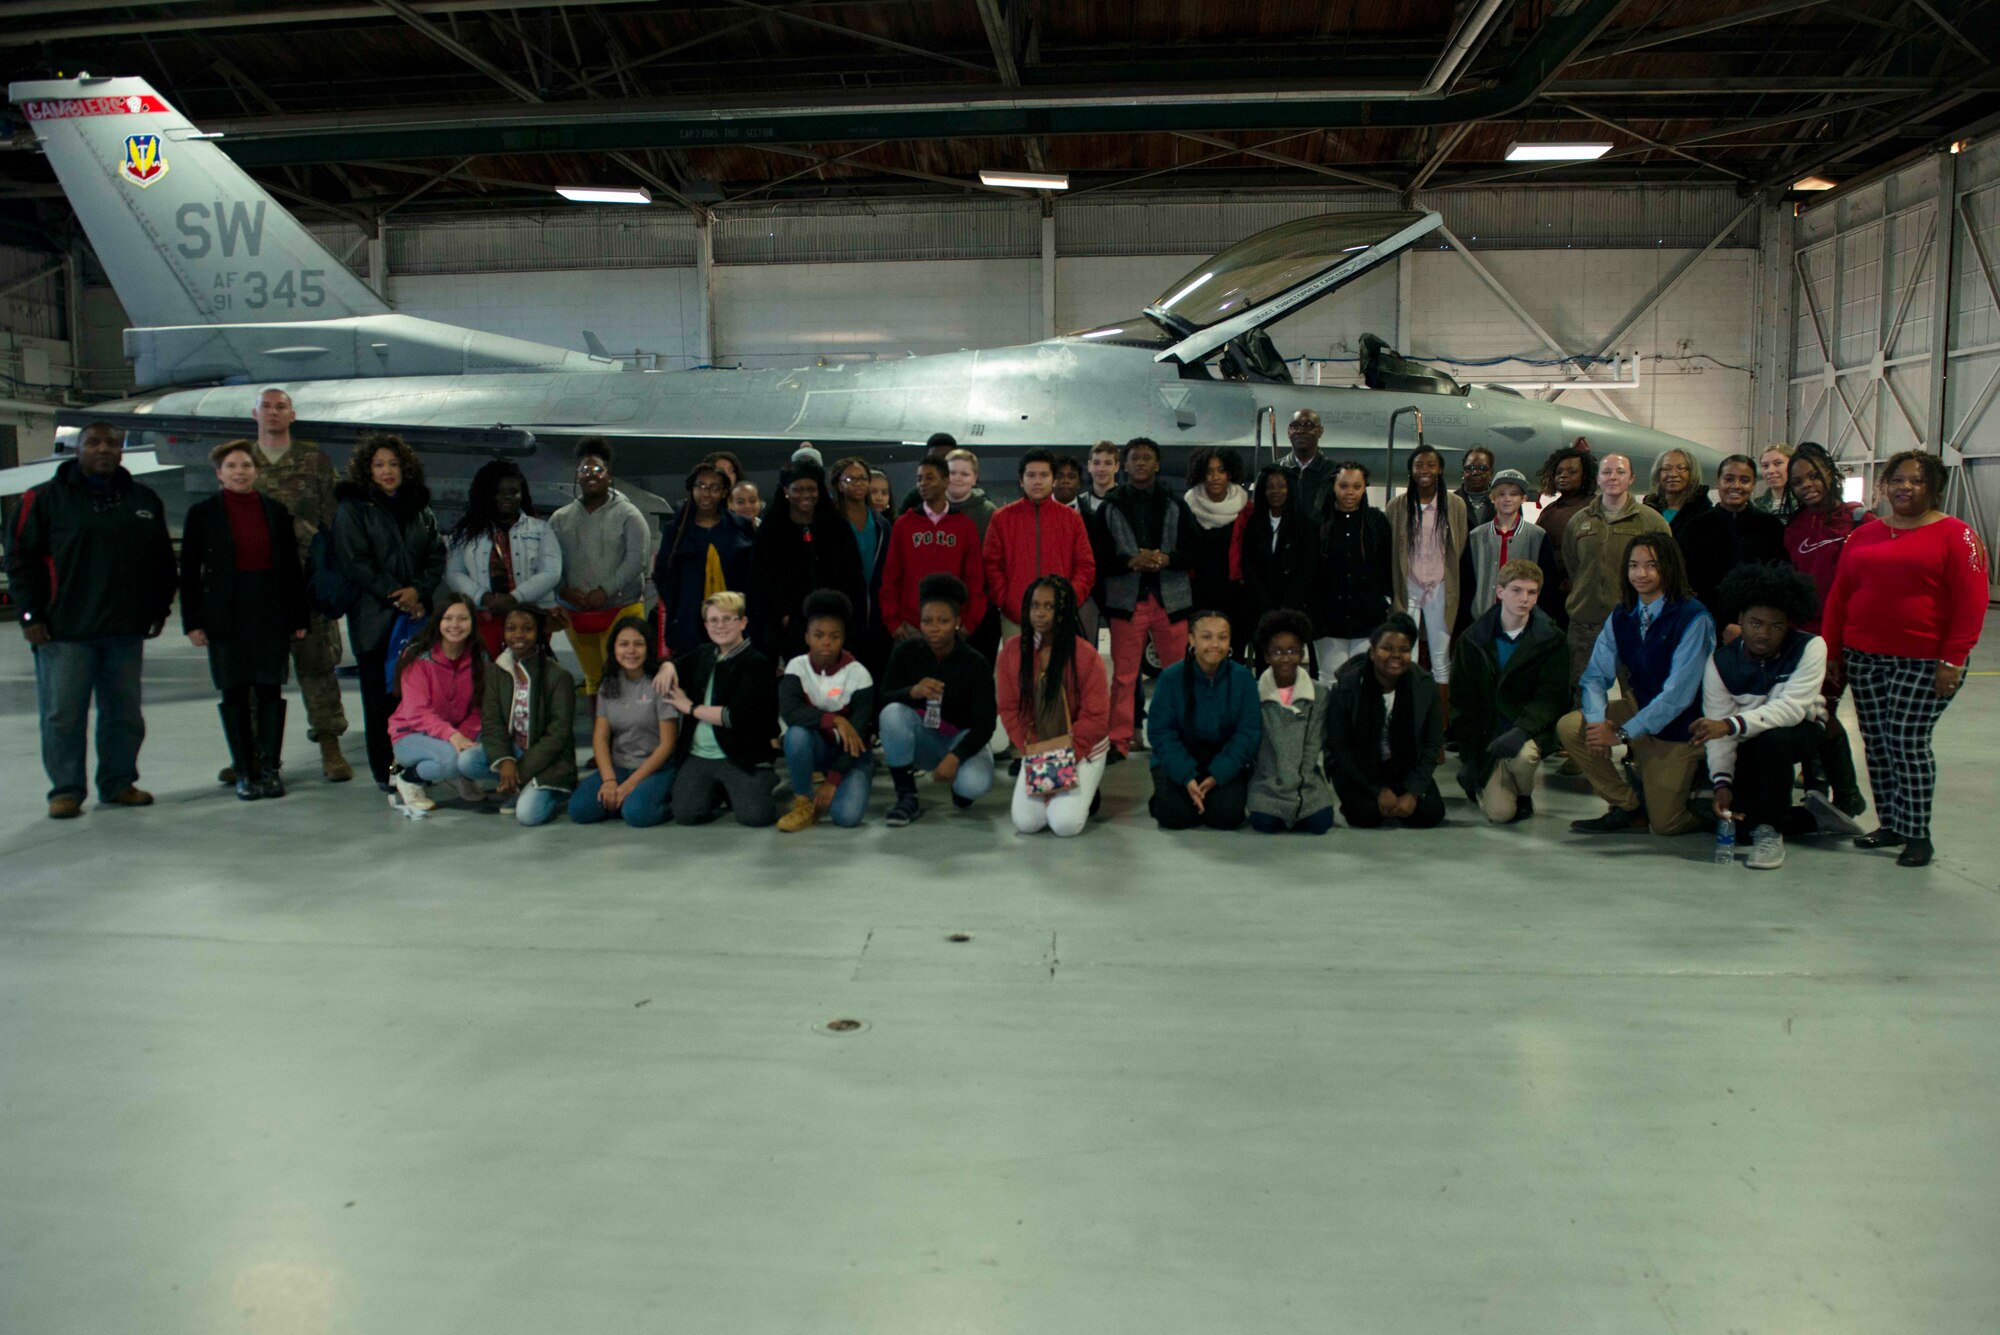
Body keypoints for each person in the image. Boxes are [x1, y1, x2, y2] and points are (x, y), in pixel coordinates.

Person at [1821, 449, 1988, 868]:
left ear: (1934, 488)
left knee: (1906, 741)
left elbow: (1973, 601)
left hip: (1925, 660)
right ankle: (1891, 824)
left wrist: (1954, 659)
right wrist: (1833, 650)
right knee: (1877, 743)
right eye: (1898, 480)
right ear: (1885, 485)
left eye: (1916, 481)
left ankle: (1918, 834)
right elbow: (1841, 594)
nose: (1905, 488)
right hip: (1864, 656)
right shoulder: (1865, 535)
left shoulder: (1957, 535)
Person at [1695, 563, 1857, 871]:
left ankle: (1772, 831)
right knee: (1736, 823)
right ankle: (1812, 819)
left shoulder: (1809, 647)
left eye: (1776, 626)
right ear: (1739, 620)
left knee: (1775, 740)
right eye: (1755, 623)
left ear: (1789, 625)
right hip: (1746, 736)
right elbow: (1719, 732)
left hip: (1802, 730)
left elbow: (1791, 709)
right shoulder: (1720, 663)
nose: (1764, 633)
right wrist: (1721, 783)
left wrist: (1729, 725)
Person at [1557, 534, 1715, 836]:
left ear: (1669, 568)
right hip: (1638, 707)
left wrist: (1620, 733)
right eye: (1633, 565)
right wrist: (1596, 725)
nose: (1640, 574)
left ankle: (1701, 795)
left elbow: (1678, 696)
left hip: (1681, 727)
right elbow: (1594, 676)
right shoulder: (1623, 614)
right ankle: (1629, 807)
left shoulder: (1693, 617)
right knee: (1571, 727)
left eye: (1651, 565)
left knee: (1666, 824)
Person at [180, 441, 310, 801]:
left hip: (269, 611)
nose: (240, 472)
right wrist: (192, 621)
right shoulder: (202, 514)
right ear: (219, 474)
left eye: (246, 466)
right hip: (225, 616)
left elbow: (290, 570)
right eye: (232, 466)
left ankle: (270, 769)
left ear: (256, 471)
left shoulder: (274, 511)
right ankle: (244, 770)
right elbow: (189, 571)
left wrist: (297, 615)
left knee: (270, 690)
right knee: (234, 692)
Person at [246, 386, 351, 783]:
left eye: (281, 407)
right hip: (258, 585)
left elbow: (335, 522)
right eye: (266, 407)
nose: (273, 413)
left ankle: (330, 746)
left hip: (308, 583)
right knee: (257, 674)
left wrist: (333, 578)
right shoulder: (241, 461)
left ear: (292, 415)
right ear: (254, 414)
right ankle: (254, 752)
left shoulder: (315, 462)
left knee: (318, 666)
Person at [333, 432, 446, 788]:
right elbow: (356, 561)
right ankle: (386, 772)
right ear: (368, 470)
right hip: (375, 620)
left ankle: (416, 765)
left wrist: (420, 592)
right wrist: (398, 595)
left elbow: (434, 555)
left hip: (416, 621)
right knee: (378, 701)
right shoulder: (353, 510)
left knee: (416, 699)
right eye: (379, 464)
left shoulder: (420, 510)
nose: (387, 471)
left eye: (394, 464)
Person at [1783, 442, 1871, 816]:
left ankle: (1846, 794)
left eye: (1814, 476)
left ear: (1831, 475)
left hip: (1846, 638)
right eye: (1798, 480)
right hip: (1804, 637)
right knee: (1812, 712)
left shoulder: (1859, 522)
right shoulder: (1794, 527)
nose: (1806, 485)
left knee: (1824, 712)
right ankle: (1820, 790)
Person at [1099, 437, 1196, 761]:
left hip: (1170, 601)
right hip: (1128, 603)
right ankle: (1119, 741)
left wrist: (1167, 559)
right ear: (1124, 465)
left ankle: (1178, 738)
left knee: (1177, 675)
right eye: (1134, 458)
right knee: (1124, 677)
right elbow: (1098, 558)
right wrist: (1130, 561)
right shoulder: (1109, 506)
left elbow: (1194, 553)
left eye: (1146, 458)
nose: (1140, 463)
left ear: (1157, 464)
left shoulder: (1176, 503)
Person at [1449, 560, 1567, 824]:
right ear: (1499, 592)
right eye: (1516, 590)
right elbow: (1462, 702)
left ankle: (1523, 795)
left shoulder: (1552, 639)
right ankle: (1486, 779)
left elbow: (1551, 696)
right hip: (1487, 735)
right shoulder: (1472, 640)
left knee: (1524, 757)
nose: (1524, 599)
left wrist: (1522, 731)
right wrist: (1469, 756)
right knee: (1501, 814)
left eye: (1532, 592)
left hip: (1526, 730)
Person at [876, 573, 997, 826]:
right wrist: (912, 691)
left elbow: (986, 723)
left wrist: (956, 756)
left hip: (961, 738)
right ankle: (906, 796)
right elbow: (883, 697)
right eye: (927, 621)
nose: (934, 627)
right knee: (891, 714)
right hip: (924, 738)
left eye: (943, 621)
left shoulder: (975, 663)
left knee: (974, 785)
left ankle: (960, 788)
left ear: (957, 622)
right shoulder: (905, 652)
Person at [996, 575, 1110, 838]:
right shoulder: (1012, 653)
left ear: (1063, 610)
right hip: (1039, 746)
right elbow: (1010, 711)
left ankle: (1085, 784)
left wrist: (1059, 765)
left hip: (1084, 747)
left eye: (1049, 606)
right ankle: (1076, 790)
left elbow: (1095, 719)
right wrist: (1036, 754)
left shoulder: (1085, 654)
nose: (1040, 613)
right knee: (1026, 822)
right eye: (1035, 605)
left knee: (1064, 824)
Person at [660, 591, 780, 828]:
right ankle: (719, 789)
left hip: (741, 755)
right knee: (686, 814)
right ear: (706, 625)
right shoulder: (704, 654)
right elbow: (676, 664)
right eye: (714, 620)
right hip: (700, 755)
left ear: (743, 622)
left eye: (728, 619)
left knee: (755, 817)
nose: (720, 626)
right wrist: (666, 666)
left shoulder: (756, 663)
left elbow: (734, 716)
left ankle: (762, 778)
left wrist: (691, 708)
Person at [1324, 614, 1446, 829]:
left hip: (1404, 768)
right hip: (1359, 768)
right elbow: (1339, 746)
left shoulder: (1425, 686)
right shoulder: (1347, 686)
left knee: (1430, 814)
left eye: (1404, 650)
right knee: (1366, 816)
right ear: (1372, 653)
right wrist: (1377, 790)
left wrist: (1413, 792)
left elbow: (1432, 744)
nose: (1396, 655)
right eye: (1387, 648)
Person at [1560, 451, 1669, 691]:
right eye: (1606, 472)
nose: (1613, 477)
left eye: (1620, 472)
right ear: (1598, 479)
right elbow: (1573, 566)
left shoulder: (1651, 521)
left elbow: (1666, 571)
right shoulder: (1579, 521)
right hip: (1585, 630)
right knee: (1584, 698)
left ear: (1631, 478)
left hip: (1633, 628)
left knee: (1633, 699)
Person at [550, 437, 649, 699]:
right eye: (585, 470)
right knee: (594, 681)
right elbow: (549, 562)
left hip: (621, 608)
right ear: (577, 476)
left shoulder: (630, 515)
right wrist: (564, 591)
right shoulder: (560, 519)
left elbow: (636, 561)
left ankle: (628, 739)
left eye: (597, 470)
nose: (591, 475)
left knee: (622, 680)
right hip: (576, 612)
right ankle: (600, 739)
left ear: (609, 475)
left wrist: (604, 591)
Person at [1146, 608, 1260, 830]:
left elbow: (1248, 733)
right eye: (1206, 637)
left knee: (1225, 818)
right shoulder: (1170, 678)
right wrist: (1187, 776)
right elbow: (1161, 732)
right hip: (1179, 758)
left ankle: (1205, 797)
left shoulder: (1243, 679)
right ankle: (1169, 796)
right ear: (1191, 639)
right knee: (1175, 817)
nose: (1215, 644)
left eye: (1222, 637)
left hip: (1222, 759)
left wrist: (1218, 774)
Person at [776, 591, 877, 832]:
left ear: (843, 639)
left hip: (852, 757)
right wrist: (835, 720)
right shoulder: (796, 667)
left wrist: (833, 781)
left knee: (846, 817)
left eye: (834, 636)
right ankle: (803, 802)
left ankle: (853, 781)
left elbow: (859, 735)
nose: (826, 642)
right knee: (796, 734)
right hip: (816, 748)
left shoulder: (859, 675)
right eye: (819, 635)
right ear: (807, 637)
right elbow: (791, 713)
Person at [385, 594, 491, 817]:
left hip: (456, 733)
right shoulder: (418, 657)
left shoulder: (480, 658)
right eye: (448, 618)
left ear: (472, 622)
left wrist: (464, 736)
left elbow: (479, 708)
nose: (455, 625)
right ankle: (408, 778)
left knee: (481, 752)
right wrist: (453, 738)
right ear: (438, 622)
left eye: (462, 619)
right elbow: (417, 713)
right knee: (454, 760)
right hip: (411, 734)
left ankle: (460, 774)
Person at [569, 616, 680, 828]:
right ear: (614, 648)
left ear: (648, 647)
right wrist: (610, 781)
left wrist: (630, 784)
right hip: (619, 765)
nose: (631, 651)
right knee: (579, 809)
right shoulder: (608, 684)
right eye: (624, 644)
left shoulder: (659, 682)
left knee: (637, 814)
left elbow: (667, 745)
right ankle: (625, 800)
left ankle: (669, 803)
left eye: (638, 644)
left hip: (655, 769)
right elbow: (600, 739)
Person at [751, 460, 866, 662]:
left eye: (811, 489)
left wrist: (842, 615)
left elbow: (853, 576)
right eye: (798, 489)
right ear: (786, 491)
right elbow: (761, 580)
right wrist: (784, 617)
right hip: (788, 633)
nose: (806, 495)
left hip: (834, 628)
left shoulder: (837, 528)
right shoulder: (770, 532)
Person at [444, 459, 561, 657]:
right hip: (485, 615)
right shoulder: (465, 532)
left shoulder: (541, 529)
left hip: (531, 615)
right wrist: (483, 597)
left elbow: (551, 572)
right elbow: (454, 573)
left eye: (513, 492)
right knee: (490, 675)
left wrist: (515, 598)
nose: (507, 497)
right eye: (499, 492)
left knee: (529, 672)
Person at [1387, 444, 1469, 712]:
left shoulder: (1455, 505)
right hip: (1407, 589)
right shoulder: (1398, 506)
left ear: (1440, 469)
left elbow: (1460, 545)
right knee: (1404, 655)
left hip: (1441, 590)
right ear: (1410, 470)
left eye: (1431, 465)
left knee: (1440, 658)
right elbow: (1390, 550)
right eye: (1419, 465)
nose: (1425, 470)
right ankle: (1404, 718)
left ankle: (1439, 726)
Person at [479, 606, 578, 826]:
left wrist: (519, 771)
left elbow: (558, 734)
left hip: (550, 762)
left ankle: (552, 791)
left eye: (527, 629)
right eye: (511, 628)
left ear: (539, 633)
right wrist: (505, 761)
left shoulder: (559, 676)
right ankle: (515, 785)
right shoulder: (497, 671)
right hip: (514, 752)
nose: (518, 635)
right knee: (468, 760)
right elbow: (492, 721)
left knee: (528, 816)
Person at [984, 449, 1096, 642]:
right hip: (1015, 617)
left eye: (1044, 475)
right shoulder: (1001, 518)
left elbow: (1085, 566)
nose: (1037, 481)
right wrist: (1007, 601)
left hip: (1059, 616)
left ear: (1053, 480)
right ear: (1021, 480)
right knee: (1019, 670)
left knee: (1059, 671)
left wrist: (1068, 600)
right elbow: (991, 564)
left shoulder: (1071, 519)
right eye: (1031, 475)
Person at [881, 453, 988, 645]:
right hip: (911, 625)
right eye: (919, 479)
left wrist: (969, 623)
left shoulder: (965, 526)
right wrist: (893, 621)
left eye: (930, 478)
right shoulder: (903, 525)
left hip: (952, 625)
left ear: (946, 481)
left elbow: (975, 579)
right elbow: (891, 577)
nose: (923, 483)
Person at [653, 462, 755, 660]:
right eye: (700, 486)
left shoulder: (740, 526)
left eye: (714, 488)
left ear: (725, 492)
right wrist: (678, 607)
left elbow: (753, 572)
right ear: (692, 489)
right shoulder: (676, 530)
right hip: (689, 621)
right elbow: (663, 573)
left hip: (734, 617)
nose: (706, 493)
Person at [1676, 453, 1787, 634]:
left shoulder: (1771, 527)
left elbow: (1779, 582)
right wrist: (1721, 625)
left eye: (1744, 480)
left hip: (1759, 630)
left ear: (1753, 484)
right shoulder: (1695, 529)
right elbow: (1686, 583)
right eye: (1729, 479)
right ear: (1718, 481)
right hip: (1704, 626)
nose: (1736, 486)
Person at [1246, 609, 1334, 835]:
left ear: (1302, 653)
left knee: (1320, 824)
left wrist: (1299, 781)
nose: (1285, 658)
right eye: (1277, 652)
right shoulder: (1254, 694)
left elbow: (1314, 744)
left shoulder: (1319, 693)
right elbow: (1258, 749)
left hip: (1306, 781)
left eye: (1292, 651)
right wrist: (1278, 782)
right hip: (1269, 781)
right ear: (1266, 656)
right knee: (1264, 824)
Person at [1313, 460, 1393, 682]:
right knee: (1330, 679)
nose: (1350, 492)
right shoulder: (1319, 523)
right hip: (1327, 620)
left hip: (1369, 618)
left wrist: (1385, 600)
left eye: (1357, 487)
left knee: (1364, 681)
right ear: (1333, 486)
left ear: (1365, 487)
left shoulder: (1377, 522)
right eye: (1344, 486)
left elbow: (1387, 566)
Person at [1236, 465, 1318, 662]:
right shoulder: (1253, 524)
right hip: (1260, 610)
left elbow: (1307, 570)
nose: (1275, 491)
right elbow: (1247, 564)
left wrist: (1285, 606)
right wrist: (1264, 603)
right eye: (1269, 487)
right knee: (1265, 664)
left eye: (1281, 486)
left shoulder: (1306, 525)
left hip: (1294, 610)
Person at [1181, 446, 1250, 649]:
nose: (1215, 477)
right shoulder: (1185, 509)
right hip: (1197, 595)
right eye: (1208, 471)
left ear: (1230, 472)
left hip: (1234, 596)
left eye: (1220, 470)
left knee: (1233, 655)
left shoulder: (1246, 510)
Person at [1459, 468, 1547, 624]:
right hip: (1483, 617)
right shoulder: (1476, 536)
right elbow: (1467, 581)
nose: (1507, 499)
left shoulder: (1537, 536)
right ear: (1492, 498)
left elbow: (1547, 581)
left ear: (1523, 499)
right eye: (1501, 494)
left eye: (1514, 494)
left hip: (1524, 619)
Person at [1532, 443, 1597, 628]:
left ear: (1584, 476)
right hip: (1551, 593)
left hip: (1581, 594)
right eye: (1559, 471)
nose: (1563, 476)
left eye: (1571, 471)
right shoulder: (1550, 510)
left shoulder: (1594, 508)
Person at [832, 455, 891, 650]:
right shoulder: (830, 523)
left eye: (863, 479)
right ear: (839, 485)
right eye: (850, 479)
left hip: (878, 611)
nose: (858, 484)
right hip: (842, 612)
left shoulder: (882, 525)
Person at [1278, 408, 1337, 525]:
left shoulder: (1333, 472)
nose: (1300, 430)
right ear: (1289, 432)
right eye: (1295, 426)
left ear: (1320, 431)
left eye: (1308, 426)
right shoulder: (1274, 471)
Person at [1643, 448, 1711, 536]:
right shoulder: (1648, 509)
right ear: (1658, 474)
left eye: (1681, 468)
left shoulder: (1704, 512)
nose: (1673, 474)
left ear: (1692, 473)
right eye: (1666, 469)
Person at [1454, 446, 1497, 530]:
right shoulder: (1450, 502)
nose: (1475, 472)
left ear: (1491, 474)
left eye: (1482, 468)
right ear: (1462, 473)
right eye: (1470, 468)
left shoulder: (1503, 501)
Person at [1753, 443, 1793, 517]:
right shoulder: (1755, 507)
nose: (1770, 471)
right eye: (1765, 466)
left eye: (1778, 463)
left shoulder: (1805, 504)